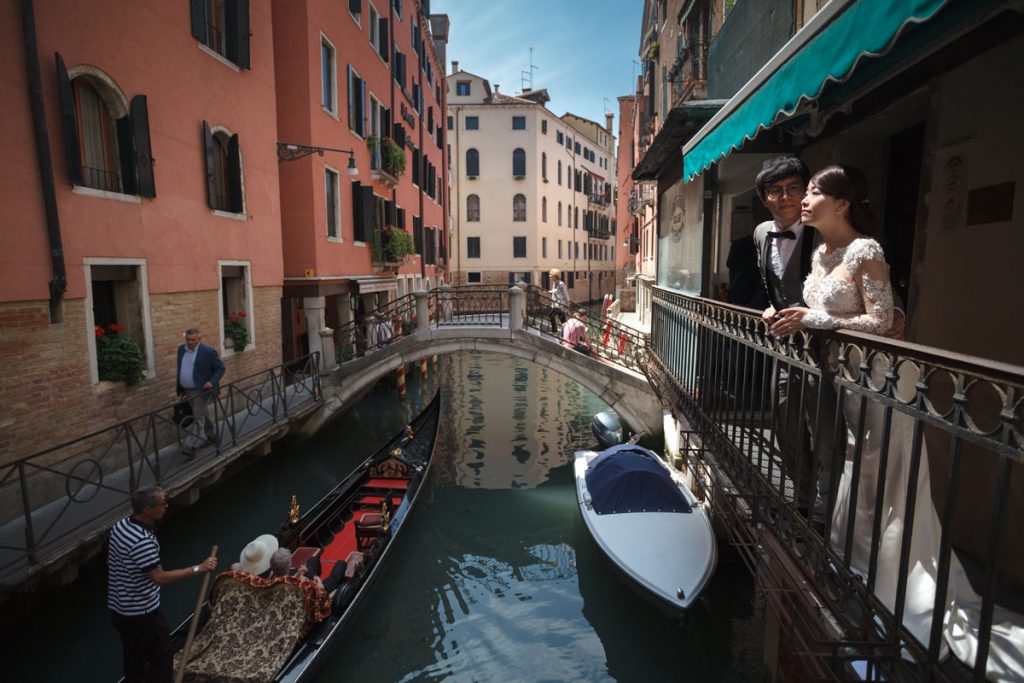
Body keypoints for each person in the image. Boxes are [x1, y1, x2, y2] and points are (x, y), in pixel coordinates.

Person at [773, 165, 1024, 679]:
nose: (804, 199)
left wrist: (812, 319)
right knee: (861, 468)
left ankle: (898, 581)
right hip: (849, 379)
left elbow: (882, 320)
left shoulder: (867, 252)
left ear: (841, 204)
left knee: (884, 469)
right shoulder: (822, 256)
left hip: (886, 378)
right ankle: (861, 564)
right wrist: (784, 315)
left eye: (814, 192)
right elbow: (815, 308)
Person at [752, 156, 840, 527]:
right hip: (785, 348)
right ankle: (802, 501)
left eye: (793, 189)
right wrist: (771, 308)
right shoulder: (760, 234)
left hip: (825, 351)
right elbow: (774, 284)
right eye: (776, 190)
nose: (785, 197)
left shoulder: (826, 232)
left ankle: (825, 513)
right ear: (765, 198)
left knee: (825, 434)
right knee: (784, 421)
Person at [108, 485, 217, 682]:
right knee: (162, 658)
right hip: (142, 614)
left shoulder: (121, 526)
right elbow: (160, 577)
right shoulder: (142, 542)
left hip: (119, 610)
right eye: (163, 503)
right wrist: (198, 569)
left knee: (133, 659)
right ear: (147, 510)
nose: (167, 506)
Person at [176, 327, 225, 456]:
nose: (190, 342)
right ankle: (212, 435)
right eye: (188, 339)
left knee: (198, 417)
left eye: (193, 339)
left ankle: (191, 446)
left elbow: (220, 369)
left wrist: (211, 382)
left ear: (199, 338)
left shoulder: (208, 351)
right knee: (202, 413)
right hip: (188, 390)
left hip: (202, 390)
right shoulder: (181, 349)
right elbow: (181, 368)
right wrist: (181, 388)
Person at [268, 548, 347, 594]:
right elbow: (318, 592)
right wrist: (319, 582)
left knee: (312, 559)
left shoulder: (271, 581)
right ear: (289, 565)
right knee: (341, 564)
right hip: (318, 593)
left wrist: (298, 574)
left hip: (303, 585)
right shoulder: (304, 582)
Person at [548, 269, 569, 333]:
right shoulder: (555, 283)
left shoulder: (561, 283)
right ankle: (567, 333)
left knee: (551, 315)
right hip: (556, 303)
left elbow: (565, 293)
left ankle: (554, 331)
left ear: (555, 276)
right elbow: (555, 293)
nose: (551, 278)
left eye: (552, 276)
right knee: (563, 320)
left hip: (560, 304)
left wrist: (567, 303)